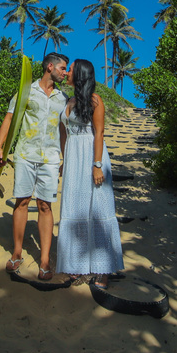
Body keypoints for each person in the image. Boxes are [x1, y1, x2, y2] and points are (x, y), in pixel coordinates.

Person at [0, 52, 69, 280]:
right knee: (23, 200)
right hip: (25, 154)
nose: (65, 73)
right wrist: (0, 144)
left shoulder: (62, 98)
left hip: (51, 158)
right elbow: (9, 117)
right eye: (62, 68)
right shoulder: (26, 91)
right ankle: (17, 253)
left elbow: (63, 129)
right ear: (50, 67)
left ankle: (44, 260)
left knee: (45, 206)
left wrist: (65, 157)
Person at [53, 58, 124, 290]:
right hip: (73, 158)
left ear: (80, 74)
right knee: (74, 206)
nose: (67, 72)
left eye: (70, 69)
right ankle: (77, 265)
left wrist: (96, 165)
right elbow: (65, 133)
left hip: (92, 156)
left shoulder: (95, 100)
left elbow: (99, 133)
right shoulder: (70, 101)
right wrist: (64, 159)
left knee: (98, 207)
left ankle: (103, 271)